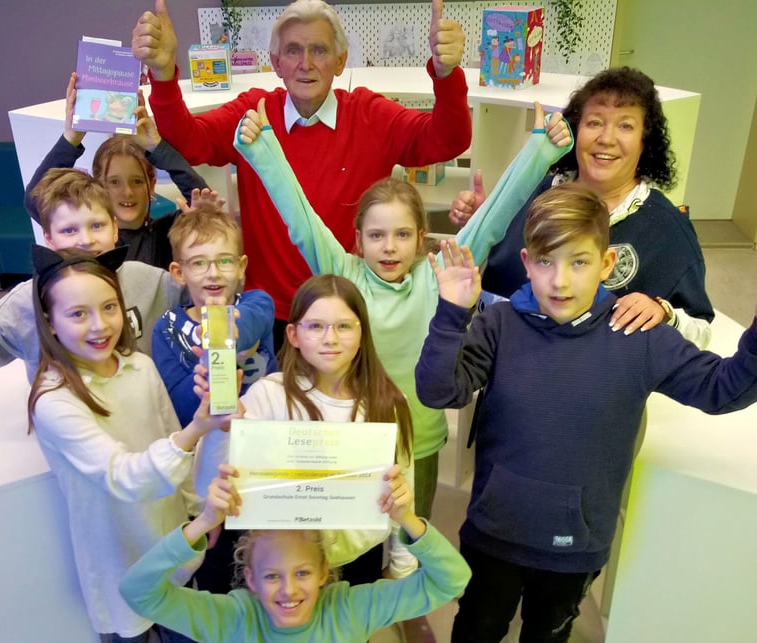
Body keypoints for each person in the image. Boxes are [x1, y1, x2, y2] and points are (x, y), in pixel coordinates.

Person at [416, 186, 757, 642]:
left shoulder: (638, 335)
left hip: (576, 545)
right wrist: (451, 314)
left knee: (548, 633)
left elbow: (722, 389)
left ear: (607, 263)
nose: (560, 281)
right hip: (494, 531)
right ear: (526, 263)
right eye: (546, 262)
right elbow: (437, 391)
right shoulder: (498, 324)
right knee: (476, 627)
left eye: (579, 262)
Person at [233, 98, 571, 519]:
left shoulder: (438, 275)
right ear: (358, 239)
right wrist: (262, 149)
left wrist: (539, 150)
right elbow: (299, 216)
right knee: (349, 539)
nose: (389, 247)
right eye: (377, 235)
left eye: (402, 234)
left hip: (419, 442)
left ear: (420, 236)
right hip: (351, 439)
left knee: (409, 541)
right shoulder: (343, 273)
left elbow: (493, 218)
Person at [132, 0, 472, 343]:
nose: (305, 63)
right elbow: (189, 141)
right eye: (293, 50)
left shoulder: (371, 116)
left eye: (319, 50)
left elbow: (448, 141)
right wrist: (163, 74)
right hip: (270, 315)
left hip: (350, 310)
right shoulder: (254, 112)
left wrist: (446, 75)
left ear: (340, 61)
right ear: (276, 62)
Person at [28, 245, 228, 642]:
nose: (99, 326)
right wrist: (197, 429)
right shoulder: (54, 400)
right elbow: (122, 476)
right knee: (131, 631)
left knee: (185, 629)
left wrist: (196, 510)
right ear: (50, 321)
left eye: (109, 307)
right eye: (78, 314)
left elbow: (169, 437)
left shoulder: (141, 367)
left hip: (170, 539)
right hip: (116, 553)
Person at [451, 67, 714, 348]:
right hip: (498, 360)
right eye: (594, 122)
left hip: (593, 374)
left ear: (645, 141)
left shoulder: (667, 228)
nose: (607, 138)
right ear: (576, 129)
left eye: (625, 126)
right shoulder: (529, 194)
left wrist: (664, 313)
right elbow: (476, 286)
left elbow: (701, 331)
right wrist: (486, 222)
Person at [196, 274, 419, 586]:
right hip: (280, 565)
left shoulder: (389, 403)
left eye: (344, 326)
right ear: (293, 334)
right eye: (315, 326)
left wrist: (402, 565)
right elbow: (210, 480)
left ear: (362, 333)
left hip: (357, 562)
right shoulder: (268, 394)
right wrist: (221, 426)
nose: (330, 338)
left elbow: (404, 486)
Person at [119, 463, 471, 642]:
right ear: (251, 579)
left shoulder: (350, 609)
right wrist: (202, 524)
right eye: (272, 576)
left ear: (323, 571)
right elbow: (137, 591)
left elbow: (453, 579)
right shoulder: (233, 618)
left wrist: (406, 518)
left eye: (302, 572)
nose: (288, 590)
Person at [0, 168, 192, 380]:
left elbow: (205, 300)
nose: (86, 240)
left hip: (141, 414)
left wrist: (200, 243)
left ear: (114, 228)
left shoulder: (149, 280)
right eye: (69, 230)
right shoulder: (27, 300)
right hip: (67, 421)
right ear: (49, 239)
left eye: (96, 225)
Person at [24, 73, 209, 268]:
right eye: (114, 182)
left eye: (137, 181)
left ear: (152, 184)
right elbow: (35, 199)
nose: (127, 192)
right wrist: (71, 139)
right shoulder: (88, 239)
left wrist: (157, 146)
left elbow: (202, 200)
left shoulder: (167, 232)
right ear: (99, 187)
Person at [151, 207, 277, 427]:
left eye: (225, 261)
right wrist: (208, 374)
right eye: (199, 263)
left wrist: (224, 330)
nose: (213, 273)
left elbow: (249, 322)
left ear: (241, 267)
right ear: (179, 273)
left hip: (264, 431)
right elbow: (177, 408)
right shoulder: (166, 328)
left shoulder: (258, 302)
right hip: (204, 437)